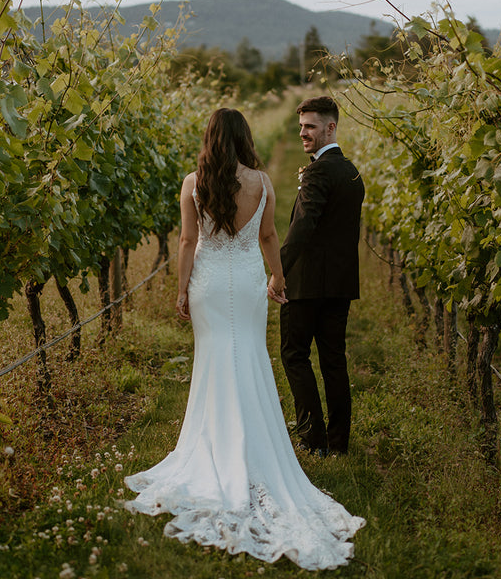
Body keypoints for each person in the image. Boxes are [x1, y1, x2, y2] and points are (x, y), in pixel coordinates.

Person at [124, 108, 365, 570]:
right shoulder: (263, 183)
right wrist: (278, 278)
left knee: (215, 361)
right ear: (245, 138)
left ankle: (215, 445)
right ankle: (257, 445)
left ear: (211, 139)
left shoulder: (193, 183)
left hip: (210, 285)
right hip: (249, 281)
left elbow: (188, 242)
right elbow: (271, 235)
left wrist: (180, 289)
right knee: (251, 358)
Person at [280, 96, 364, 456]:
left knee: (294, 354)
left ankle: (312, 439)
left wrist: (276, 271)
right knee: (334, 361)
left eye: (310, 126)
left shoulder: (317, 171)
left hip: (306, 285)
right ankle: (338, 443)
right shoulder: (352, 172)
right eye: (301, 126)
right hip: (340, 284)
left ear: (331, 127)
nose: (303, 133)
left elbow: (303, 227)